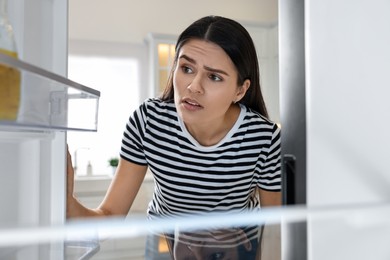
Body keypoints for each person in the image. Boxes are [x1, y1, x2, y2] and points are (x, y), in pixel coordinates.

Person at [67, 15, 281, 258]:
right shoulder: (149, 122)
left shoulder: (263, 138)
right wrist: (66, 200)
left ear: (240, 90)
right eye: (187, 68)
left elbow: (276, 230)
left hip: (237, 248)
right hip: (165, 242)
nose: (193, 86)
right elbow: (108, 218)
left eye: (214, 77)